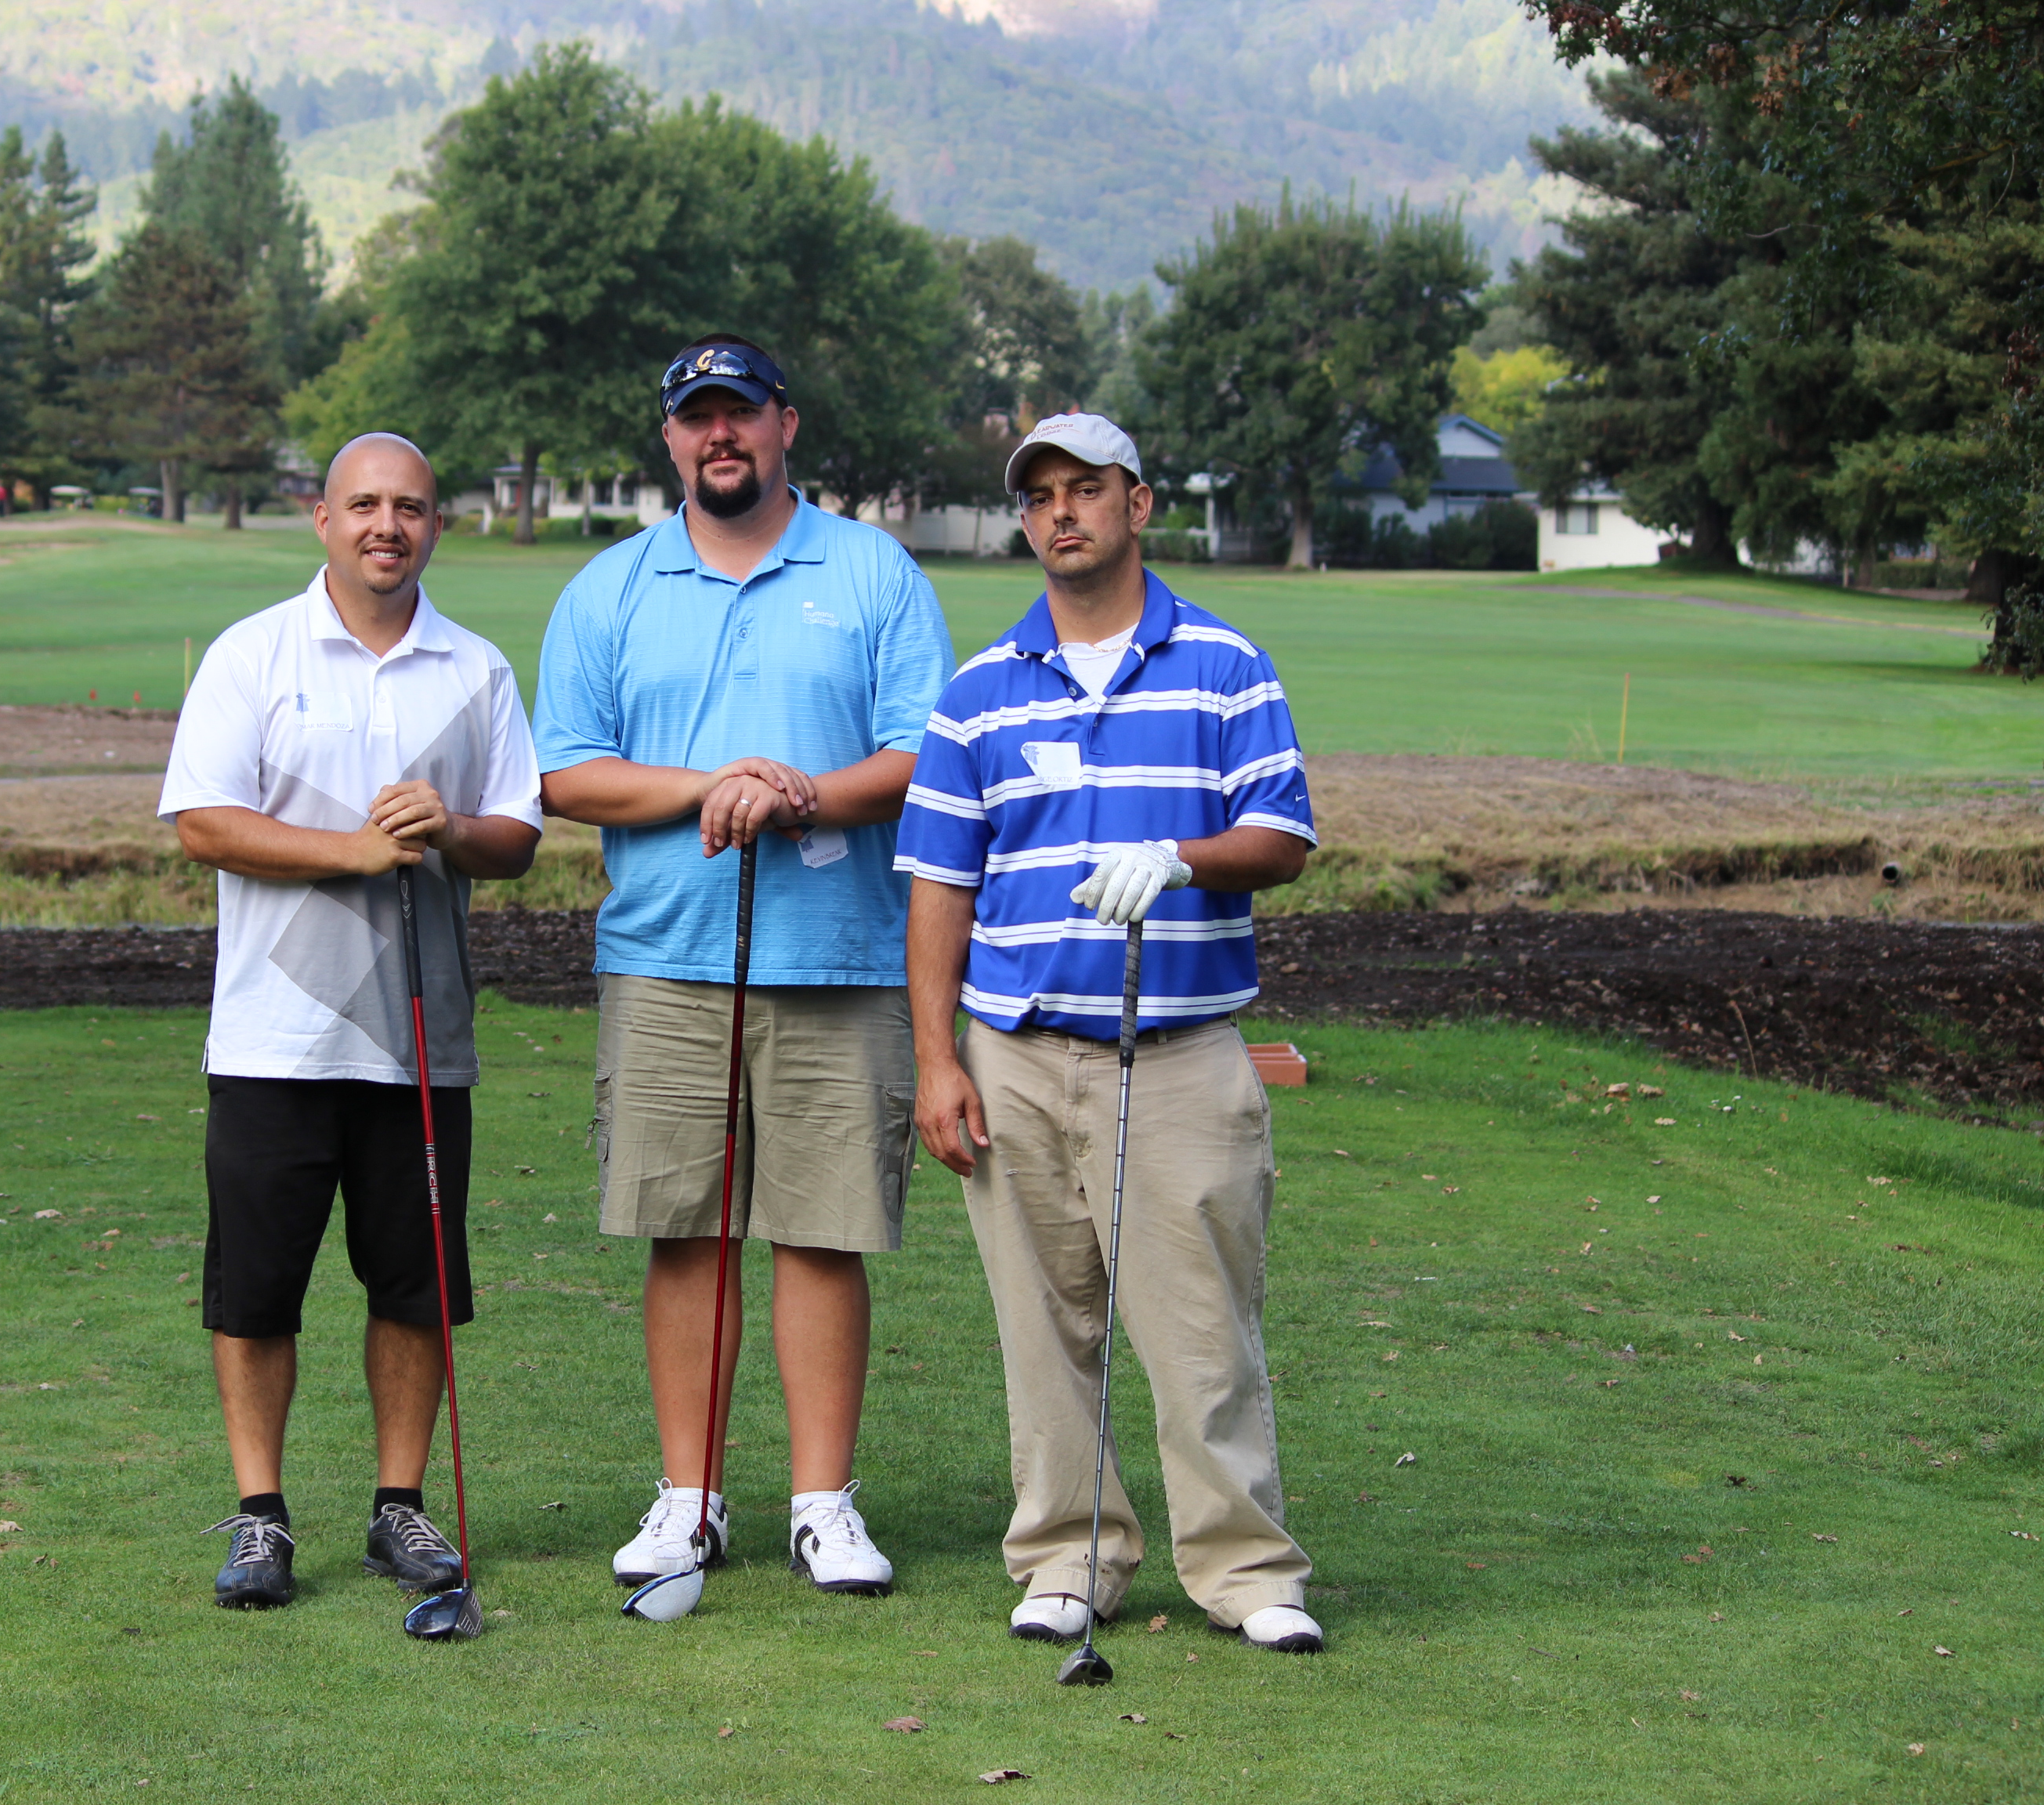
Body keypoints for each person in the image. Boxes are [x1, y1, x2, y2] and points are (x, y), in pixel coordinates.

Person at [896, 412, 1326, 1655]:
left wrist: (1182, 858)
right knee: (1042, 1331)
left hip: (1180, 1051)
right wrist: (937, 1060)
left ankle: (1246, 1571)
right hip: (1016, 1054)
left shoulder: (1225, 666)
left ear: (1138, 505)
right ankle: (1065, 1559)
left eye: (1086, 489)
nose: (1061, 513)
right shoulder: (980, 690)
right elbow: (940, 886)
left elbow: (1283, 837)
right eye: (1040, 497)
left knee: (1200, 1331)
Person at [533, 335, 955, 1598]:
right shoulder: (612, 586)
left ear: (786, 425)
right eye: (697, 416)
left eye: (742, 412)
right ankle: (691, 1498)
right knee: (688, 1231)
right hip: (669, 956)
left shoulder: (872, 571)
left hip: (841, 955)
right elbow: (565, 772)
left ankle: (823, 1504)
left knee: (822, 1233)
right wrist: (716, 785)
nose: (721, 434)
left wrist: (799, 792)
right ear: (671, 438)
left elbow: (926, 756)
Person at [158, 432, 542, 1613]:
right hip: (272, 1040)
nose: (388, 525)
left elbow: (518, 837)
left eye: (410, 507)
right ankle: (261, 1517)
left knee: (413, 1288)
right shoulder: (254, 653)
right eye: (365, 504)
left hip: (419, 1044)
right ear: (322, 520)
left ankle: (398, 1508)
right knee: (256, 1291)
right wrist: (353, 851)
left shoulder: (475, 669)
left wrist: (452, 828)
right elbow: (203, 822)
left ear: (436, 527)